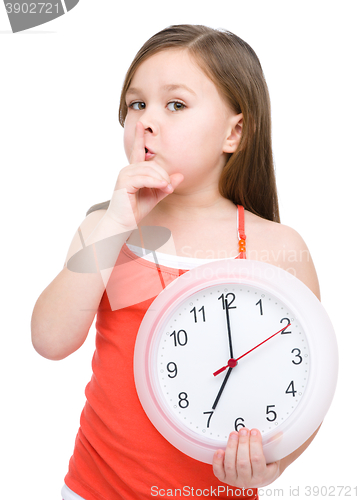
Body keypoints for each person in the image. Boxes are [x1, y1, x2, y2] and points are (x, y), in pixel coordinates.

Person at [31, 24, 321, 500]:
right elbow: (50, 340)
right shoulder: (107, 231)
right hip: (95, 490)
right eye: (136, 104)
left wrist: (274, 466)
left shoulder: (276, 247)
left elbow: (310, 386)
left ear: (235, 131)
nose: (145, 121)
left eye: (176, 105)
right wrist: (115, 225)